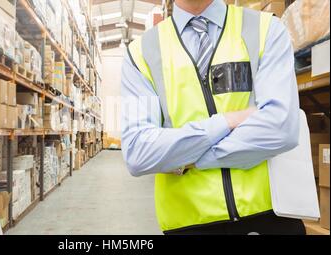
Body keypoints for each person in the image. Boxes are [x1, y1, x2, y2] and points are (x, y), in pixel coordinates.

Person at [121, 0, 305, 235]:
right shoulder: (141, 53)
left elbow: (282, 128)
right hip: (188, 224)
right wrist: (226, 122)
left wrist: (188, 159)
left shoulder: (265, 29)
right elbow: (139, 152)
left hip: (272, 216)